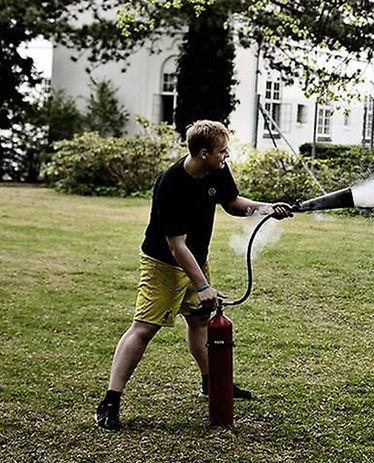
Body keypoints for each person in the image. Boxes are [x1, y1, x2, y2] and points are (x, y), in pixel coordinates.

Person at [94, 120, 293, 431]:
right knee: (144, 329)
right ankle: (110, 401)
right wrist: (202, 285)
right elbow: (176, 246)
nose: (226, 157)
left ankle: (210, 384)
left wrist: (267, 208)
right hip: (164, 263)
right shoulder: (171, 185)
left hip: (196, 259)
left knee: (200, 321)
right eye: (222, 152)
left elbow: (232, 203)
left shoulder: (216, 169)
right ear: (203, 153)